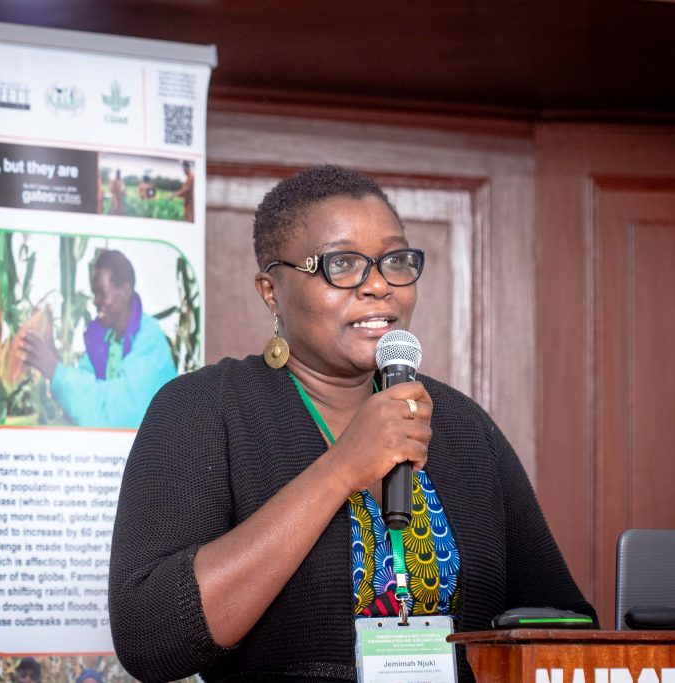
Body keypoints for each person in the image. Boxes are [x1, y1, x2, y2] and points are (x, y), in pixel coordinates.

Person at [108, 165, 595, 682]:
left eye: (395, 260)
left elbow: (565, 624)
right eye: (342, 264)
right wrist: (342, 468)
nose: (380, 285)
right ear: (271, 290)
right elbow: (150, 639)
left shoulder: (464, 427)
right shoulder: (204, 410)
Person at [21, 249, 177, 428]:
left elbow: (113, 414)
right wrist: (50, 353)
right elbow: (81, 399)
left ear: (125, 291)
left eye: (101, 293)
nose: (95, 301)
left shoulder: (149, 339)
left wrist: (54, 370)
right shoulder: (104, 340)